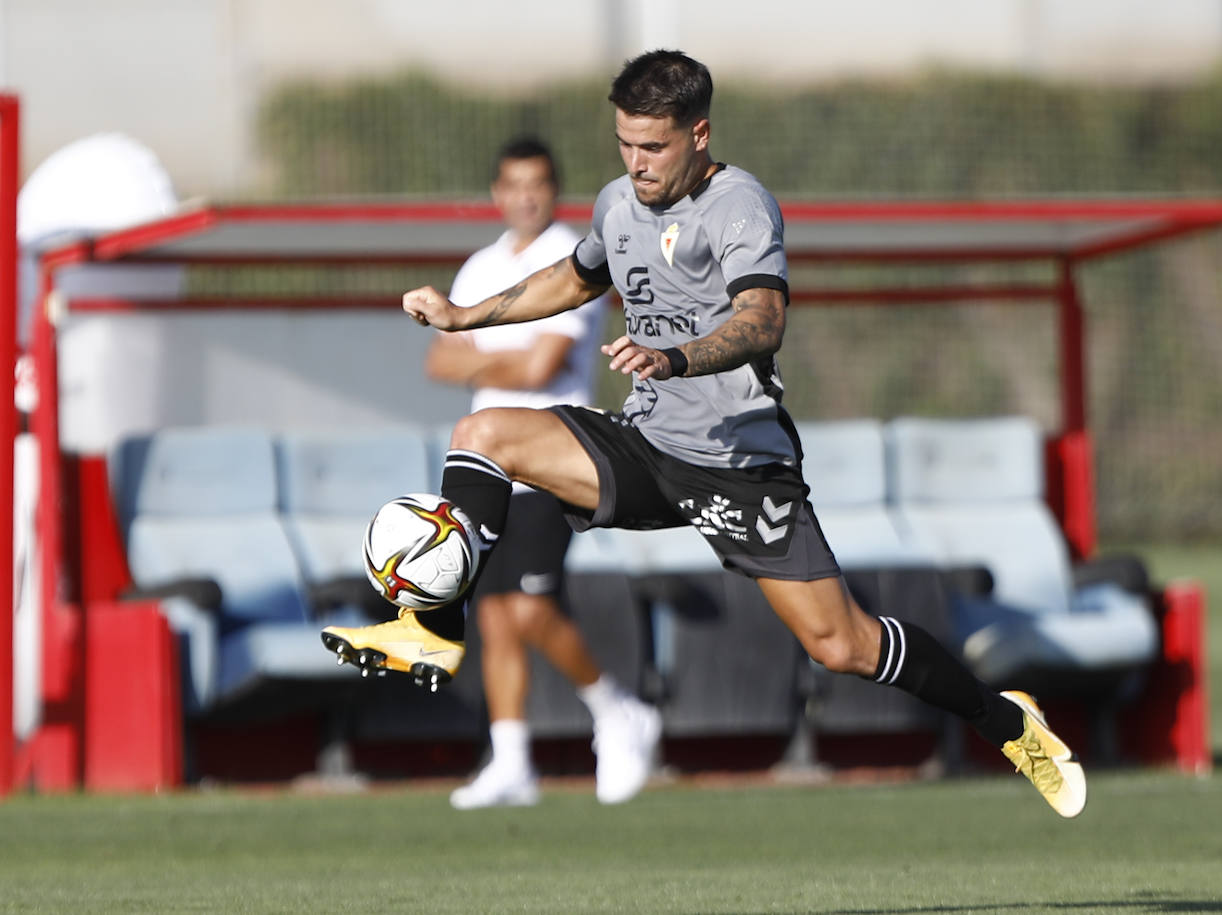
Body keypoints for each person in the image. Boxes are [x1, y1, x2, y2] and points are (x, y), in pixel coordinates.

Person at [324, 50, 1086, 818]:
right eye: (624, 143)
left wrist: (673, 358)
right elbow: (576, 278)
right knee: (483, 430)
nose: (636, 163)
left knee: (842, 646)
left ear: (699, 132)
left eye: (652, 146)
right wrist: (466, 315)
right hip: (648, 447)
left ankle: (1008, 721)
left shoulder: (740, 205)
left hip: (739, 465)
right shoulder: (618, 203)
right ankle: (430, 625)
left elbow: (763, 319)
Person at [427, 137, 661, 808]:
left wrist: (484, 357)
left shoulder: (574, 257)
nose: (525, 195)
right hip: (486, 464)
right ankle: (511, 760)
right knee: (495, 615)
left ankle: (617, 708)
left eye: (538, 183)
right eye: (513, 184)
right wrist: (499, 358)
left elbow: (539, 370)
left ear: (554, 189)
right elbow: (439, 363)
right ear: (496, 192)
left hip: (553, 456)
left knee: (530, 607)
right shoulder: (478, 269)